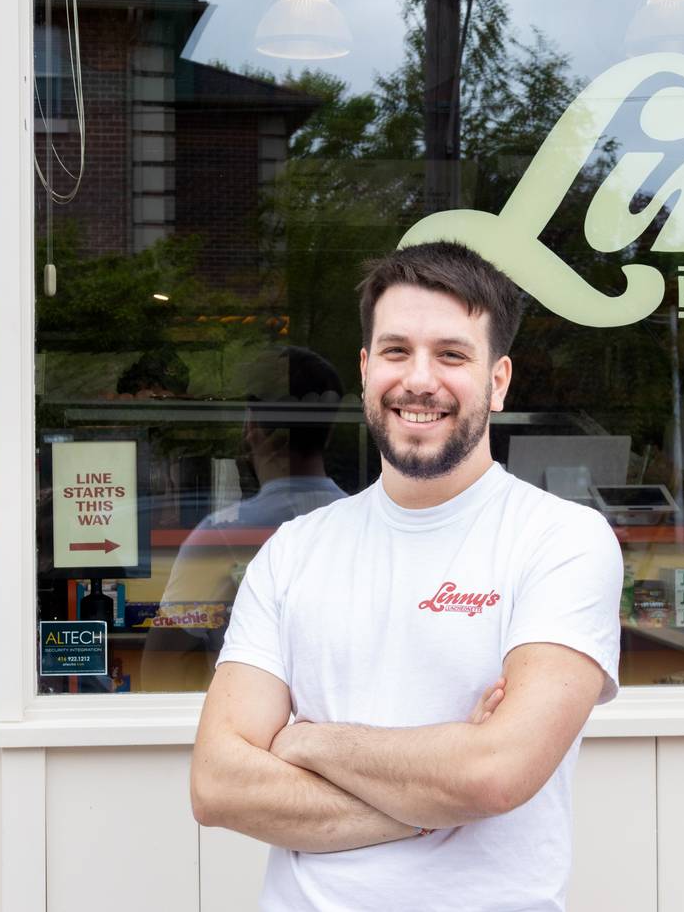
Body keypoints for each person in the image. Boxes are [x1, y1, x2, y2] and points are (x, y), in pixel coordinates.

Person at [190, 241, 623, 912]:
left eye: (452, 355)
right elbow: (218, 785)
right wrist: (432, 799)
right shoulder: (294, 551)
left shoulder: (560, 540)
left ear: (498, 381)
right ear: (367, 371)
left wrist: (306, 741)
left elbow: (496, 774)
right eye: (396, 351)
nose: (419, 380)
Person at [140, 346, 348, 692]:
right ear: (328, 433)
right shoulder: (364, 527)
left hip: (241, 721)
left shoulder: (222, 534)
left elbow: (159, 669)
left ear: (250, 426)